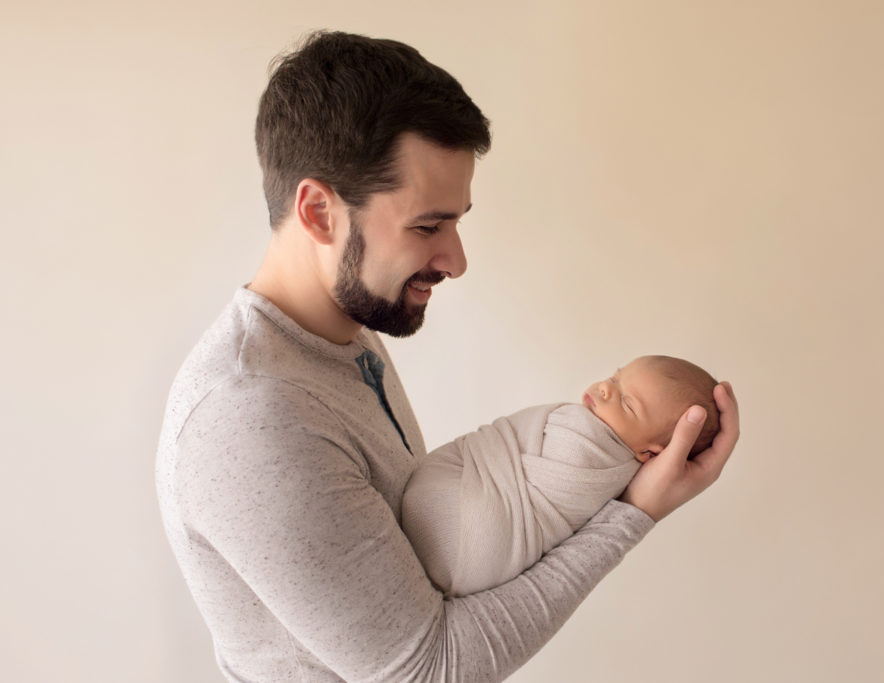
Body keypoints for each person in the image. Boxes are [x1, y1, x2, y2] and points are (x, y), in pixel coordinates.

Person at [155, 30, 739, 683]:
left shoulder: (346, 333)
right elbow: (431, 670)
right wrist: (634, 511)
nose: (456, 260)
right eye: (428, 226)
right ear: (320, 212)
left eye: (456, 222)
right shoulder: (250, 416)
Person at [403, 355, 720, 597]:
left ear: (650, 455)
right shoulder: (621, 484)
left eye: (627, 404)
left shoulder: (590, 449)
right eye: (616, 377)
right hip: (469, 555)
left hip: (472, 538)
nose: (605, 388)